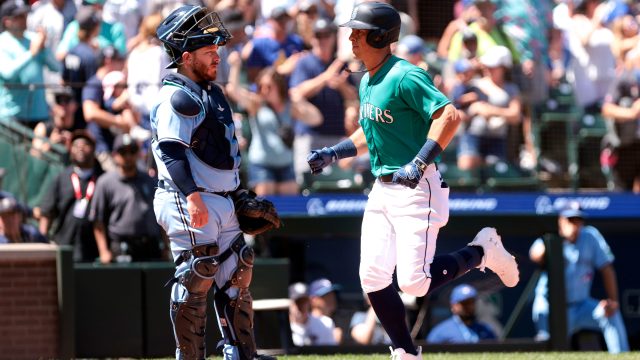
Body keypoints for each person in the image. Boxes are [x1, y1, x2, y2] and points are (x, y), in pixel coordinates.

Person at [307, 3, 519, 359]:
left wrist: (420, 161)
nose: (351, 38)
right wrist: (334, 152)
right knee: (373, 277)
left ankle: (482, 250)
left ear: (378, 36)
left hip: (416, 186)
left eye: (358, 32)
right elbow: (369, 132)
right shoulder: (367, 79)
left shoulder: (405, 75)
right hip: (382, 188)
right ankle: (405, 352)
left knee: (413, 283)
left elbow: (448, 115)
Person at [151, 5, 278, 359]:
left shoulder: (212, 93)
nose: (216, 58)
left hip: (220, 198)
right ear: (186, 56)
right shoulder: (176, 97)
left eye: (217, 51)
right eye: (209, 53)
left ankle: (240, 352)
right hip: (188, 197)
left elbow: (224, 155)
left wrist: (238, 194)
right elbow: (172, 153)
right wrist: (193, 197)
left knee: (237, 273)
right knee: (197, 275)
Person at [529, 201, 629, 353]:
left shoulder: (590, 236)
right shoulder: (552, 236)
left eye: (578, 220)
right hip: (551, 307)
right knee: (549, 349)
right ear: (560, 220)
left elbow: (607, 269)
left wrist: (612, 301)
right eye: (570, 220)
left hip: (581, 306)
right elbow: (534, 255)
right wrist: (558, 239)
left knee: (611, 314)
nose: (575, 225)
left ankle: (622, 356)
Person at [90, 133, 163, 263]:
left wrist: (166, 246)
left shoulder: (149, 180)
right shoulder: (105, 182)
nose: (128, 156)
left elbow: (161, 216)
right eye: (123, 152)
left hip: (151, 245)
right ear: (114, 155)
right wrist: (103, 251)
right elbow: (98, 221)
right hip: (122, 246)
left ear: (139, 153)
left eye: (132, 151)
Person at [39, 130, 104, 262]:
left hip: (95, 253)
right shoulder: (61, 177)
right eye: (75, 145)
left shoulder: (103, 179)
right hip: (64, 248)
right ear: (70, 150)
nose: (80, 147)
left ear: (93, 149)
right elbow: (47, 213)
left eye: (85, 144)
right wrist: (42, 243)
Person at [0, 0, 60, 129]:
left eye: (25, 15)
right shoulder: (2, 42)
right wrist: (31, 54)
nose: (24, 19)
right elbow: (7, 74)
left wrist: (44, 49)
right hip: (13, 114)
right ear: (7, 21)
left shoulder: (34, 39)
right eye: (19, 16)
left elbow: (56, 67)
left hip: (39, 115)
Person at [426, 283, 497, 344]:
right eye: (464, 303)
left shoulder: (485, 330)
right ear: (453, 305)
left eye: (471, 302)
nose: (469, 306)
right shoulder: (440, 332)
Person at [288, 282, 337, 346]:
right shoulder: (282, 326)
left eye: (304, 301)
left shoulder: (326, 323)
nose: (301, 306)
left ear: (309, 302)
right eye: (297, 302)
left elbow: (330, 351)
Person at [309, 278, 342, 344]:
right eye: (325, 296)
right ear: (313, 300)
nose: (331, 298)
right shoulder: (305, 322)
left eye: (332, 294)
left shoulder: (332, 322)